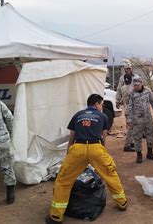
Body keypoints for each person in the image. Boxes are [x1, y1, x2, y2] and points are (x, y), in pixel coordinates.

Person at [46, 94, 127, 223]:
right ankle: (122, 203)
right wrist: (102, 151)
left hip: (78, 148)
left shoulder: (77, 115)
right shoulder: (103, 116)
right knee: (110, 175)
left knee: (63, 180)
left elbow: (71, 136)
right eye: (101, 104)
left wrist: (69, 154)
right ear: (96, 104)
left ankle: (56, 216)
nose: (101, 107)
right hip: (96, 148)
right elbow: (103, 136)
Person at [125, 75, 153, 164]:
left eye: (137, 85)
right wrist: (128, 119)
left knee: (151, 134)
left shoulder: (148, 91)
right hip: (137, 120)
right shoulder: (131, 94)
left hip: (148, 119)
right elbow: (128, 107)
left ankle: (150, 153)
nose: (135, 86)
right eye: (134, 85)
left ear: (141, 83)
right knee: (137, 137)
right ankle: (139, 155)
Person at [116, 73, 136, 152]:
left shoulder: (122, 88)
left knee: (130, 127)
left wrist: (118, 102)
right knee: (131, 127)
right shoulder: (133, 88)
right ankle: (127, 145)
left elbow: (119, 98)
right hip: (132, 110)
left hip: (126, 110)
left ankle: (131, 142)